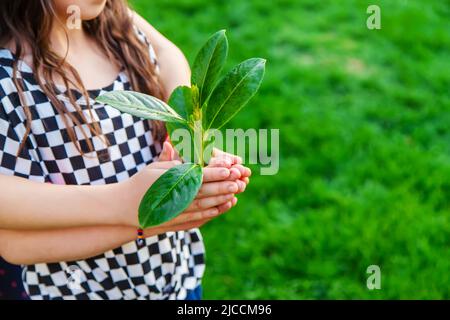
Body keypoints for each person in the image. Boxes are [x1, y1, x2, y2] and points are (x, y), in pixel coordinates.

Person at [0, 0, 250, 300]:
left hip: (177, 281)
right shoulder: (11, 83)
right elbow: (17, 245)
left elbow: (167, 54)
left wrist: (187, 135)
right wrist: (133, 208)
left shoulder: (119, 26)